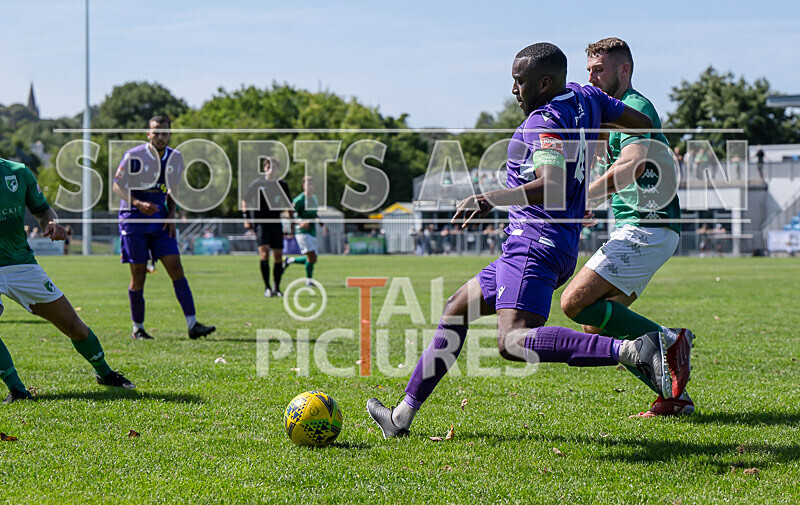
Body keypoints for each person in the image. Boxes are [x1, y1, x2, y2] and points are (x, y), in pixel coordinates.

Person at [367, 42, 691, 438]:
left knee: (512, 341)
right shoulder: (587, 98)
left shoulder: (544, 123)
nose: (514, 90)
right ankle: (401, 417)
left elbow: (551, 186)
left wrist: (489, 199)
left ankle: (632, 350)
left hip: (534, 243)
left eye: (520, 82)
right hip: (548, 243)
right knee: (457, 308)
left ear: (544, 83)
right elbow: (641, 125)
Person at [559, 38, 694, 418]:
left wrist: (581, 198)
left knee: (573, 303)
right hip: (641, 228)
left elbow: (632, 165)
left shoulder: (635, 107)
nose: (591, 76)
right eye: (588, 70)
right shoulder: (611, 116)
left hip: (648, 226)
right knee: (596, 326)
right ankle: (673, 397)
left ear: (624, 70)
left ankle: (670, 341)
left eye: (599, 69)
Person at [1, 157, 134, 403]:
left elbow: (42, 210)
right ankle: (17, 389)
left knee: (75, 327)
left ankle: (105, 373)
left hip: (21, 264)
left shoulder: (18, 172)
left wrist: (52, 223)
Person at [112, 115, 215, 341]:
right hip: (134, 221)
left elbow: (173, 189)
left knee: (176, 269)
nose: (160, 136)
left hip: (160, 222)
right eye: (156, 132)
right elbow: (117, 186)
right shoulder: (133, 156)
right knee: (139, 276)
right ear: (148, 134)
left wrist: (171, 216)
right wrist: (138, 203)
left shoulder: (175, 157)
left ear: (170, 134)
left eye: (164, 132)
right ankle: (138, 328)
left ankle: (193, 325)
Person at [242, 157, 291, 297]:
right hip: (261, 223)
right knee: (264, 253)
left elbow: (288, 205)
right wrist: (246, 218)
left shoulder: (282, 185)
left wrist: (293, 220)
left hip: (276, 222)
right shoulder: (257, 184)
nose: (271, 170)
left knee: (278, 256)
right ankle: (267, 288)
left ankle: (277, 288)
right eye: (269, 167)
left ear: (278, 169)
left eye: (274, 167)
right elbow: (245, 200)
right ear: (264, 168)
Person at [283, 176, 323, 287]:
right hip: (302, 232)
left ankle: (289, 261)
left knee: (313, 259)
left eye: (312, 184)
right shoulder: (299, 200)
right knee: (311, 256)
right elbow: (287, 214)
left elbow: (314, 214)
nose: (310, 186)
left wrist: (320, 221)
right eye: (308, 184)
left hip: (312, 231)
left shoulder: (314, 198)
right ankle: (309, 281)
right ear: (303, 185)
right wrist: (299, 222)